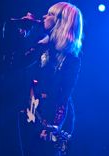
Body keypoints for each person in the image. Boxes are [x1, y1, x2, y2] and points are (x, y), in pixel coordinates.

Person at [18, 2, 84, 156]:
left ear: (61, 22)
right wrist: (24, 35)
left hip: (51, 117)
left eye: (50, 14)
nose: (44, 17)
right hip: (31, 113)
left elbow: (63, 96)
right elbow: (17, 65)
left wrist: (53, 125)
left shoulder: (70, 59)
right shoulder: (41, 46)